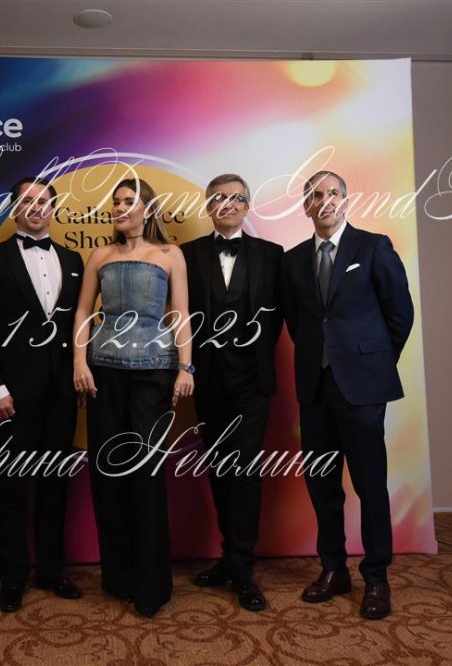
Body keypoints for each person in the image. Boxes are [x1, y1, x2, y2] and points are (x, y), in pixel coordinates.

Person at [280, 170, 414, 620]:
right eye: (316, 195)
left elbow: (400, 313)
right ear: (306, 206)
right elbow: (298, 323)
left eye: (333, 193)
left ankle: (377, 576)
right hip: (314, 389)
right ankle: (333, 569)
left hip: (363, 388)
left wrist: (371, 363)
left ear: (346, 201)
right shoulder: (293, 261)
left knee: (370, 485)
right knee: (322, 486)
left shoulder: (373, 247)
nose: (325, 200)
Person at [72, 177, 194, 618]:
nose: (120, 208)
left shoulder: (170, 255)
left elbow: (180, 314)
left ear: (148, 209)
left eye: (129, 201)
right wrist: (79, 363)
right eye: (116, 202)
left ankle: (151, 586)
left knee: (146, 478)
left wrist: (186, 367)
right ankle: (118, 579)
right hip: (102, 375)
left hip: (154, 374)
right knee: (109, 477)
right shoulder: (100, 255)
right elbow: (83, 311)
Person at [0, 177, 84, 613]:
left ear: (53, 208)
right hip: (12, 396)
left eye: (44, 201)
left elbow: (80, 327)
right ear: (15, 208)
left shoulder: (73, 259)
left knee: (56, 486)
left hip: (62, 394)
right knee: (12, 488)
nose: (36, 207)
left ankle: (51, 570)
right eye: (27, 201)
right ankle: (12, 577)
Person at [181, 174, 283, 612]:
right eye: (219, 198)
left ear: (246, 205)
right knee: (220, 470)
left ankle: (242, 568)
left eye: (236, 198)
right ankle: (230, 555)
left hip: (252, 384)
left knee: (245, 473)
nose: (228, 204)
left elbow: (279, 318)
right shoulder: (187, 254)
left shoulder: (272, 255)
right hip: (207, 382)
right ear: (209, 207)